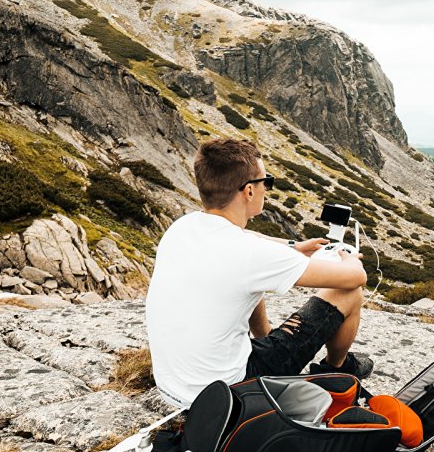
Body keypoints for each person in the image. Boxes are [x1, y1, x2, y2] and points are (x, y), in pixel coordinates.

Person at [145, 137, 372, 409]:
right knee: (349, 293)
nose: (267, 188)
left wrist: (294, 246)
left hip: (174, 387)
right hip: (232, 391)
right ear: (249, 191)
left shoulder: (183, 226)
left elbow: (246, 239)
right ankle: (338, 369)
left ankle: (265, 336)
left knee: (249, 284)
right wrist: (348, 258)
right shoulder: (249, 254)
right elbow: (356, 278)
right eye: (267, 182)